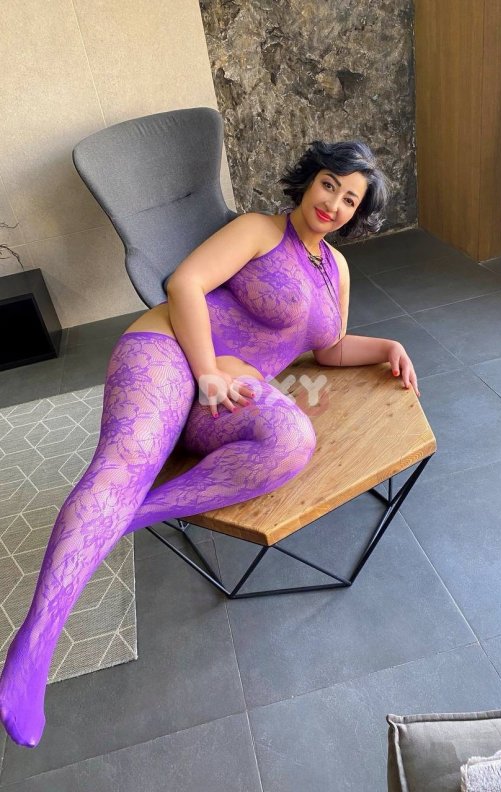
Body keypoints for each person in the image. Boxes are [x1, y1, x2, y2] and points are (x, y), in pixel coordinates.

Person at [0, 139, 418, 748]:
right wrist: (207, 372)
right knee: (125, 463)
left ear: (358, 213)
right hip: (170, 353)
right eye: (329, 184)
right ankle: (35, 643)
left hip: (226, 396)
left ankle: (117, 521)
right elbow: (185, 284)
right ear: (309, 180)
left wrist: (387, 347)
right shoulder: (258, 230)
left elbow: (327, 348)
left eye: (350, 199)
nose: (334, 203)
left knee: (292, 440)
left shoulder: (337, 270)